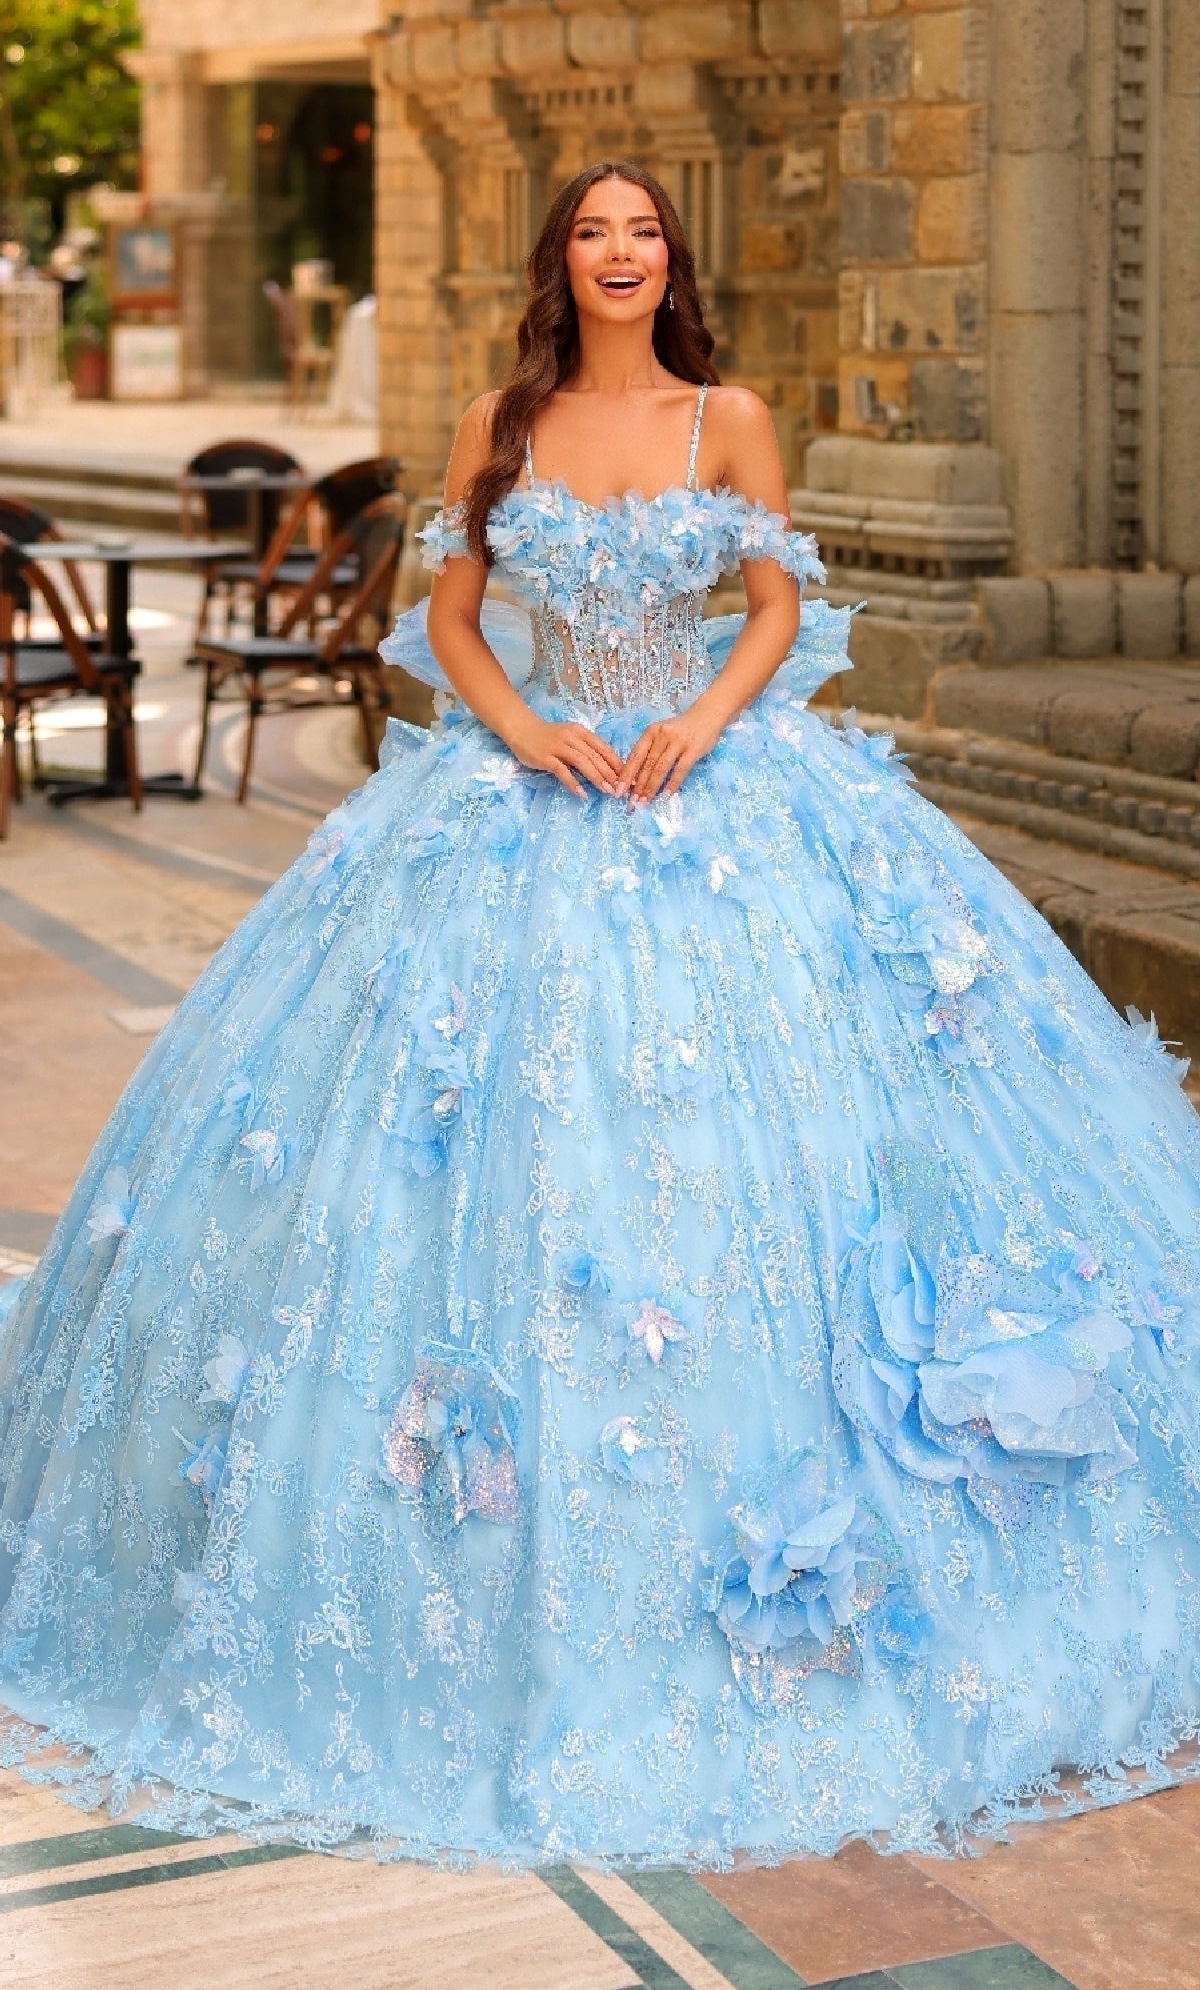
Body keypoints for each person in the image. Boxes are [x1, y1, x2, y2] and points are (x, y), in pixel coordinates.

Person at [0, 160, 1198, 1870]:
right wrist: (520, 731)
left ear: (671, 259)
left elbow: (778, 607)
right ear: (560, 259)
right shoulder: (501, 418)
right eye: (593, 230)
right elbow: (453, 619)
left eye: (644, 230)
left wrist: (705, 724)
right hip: (535, 786)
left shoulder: (733, 417)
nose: (622, 252)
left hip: (716, 780)